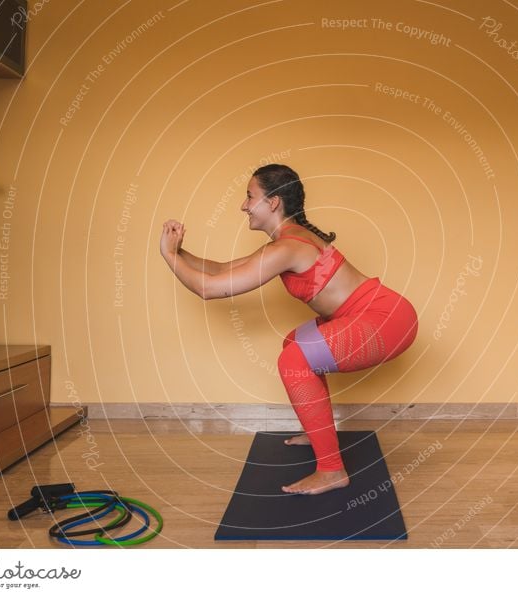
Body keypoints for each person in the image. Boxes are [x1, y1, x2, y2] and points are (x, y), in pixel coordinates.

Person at [160, 164, 418, 495]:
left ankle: (331, 471)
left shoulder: (287, 247)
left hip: (386, 320)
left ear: (273, 202)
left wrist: (168, 256)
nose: (243, 205)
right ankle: (318, 431)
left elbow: (209, 289)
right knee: (294, 344)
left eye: (249, 196)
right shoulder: (288, 240)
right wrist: (180, 251)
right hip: (378, 315)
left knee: (294, 360)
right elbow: (224, 270)